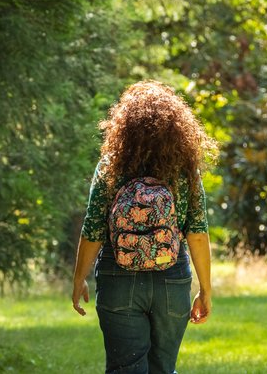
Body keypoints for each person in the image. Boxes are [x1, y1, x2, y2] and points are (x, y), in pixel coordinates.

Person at [71, 80, 217, 374]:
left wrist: (78, 279)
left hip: (118, 275)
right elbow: (197, 233)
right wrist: (205, 289)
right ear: (177, 128)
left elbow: (94, 228)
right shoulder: (184, 169)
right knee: (163, 368)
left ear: (123, 127)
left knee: (126, 369)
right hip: (171, 276)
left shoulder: (111, 165)